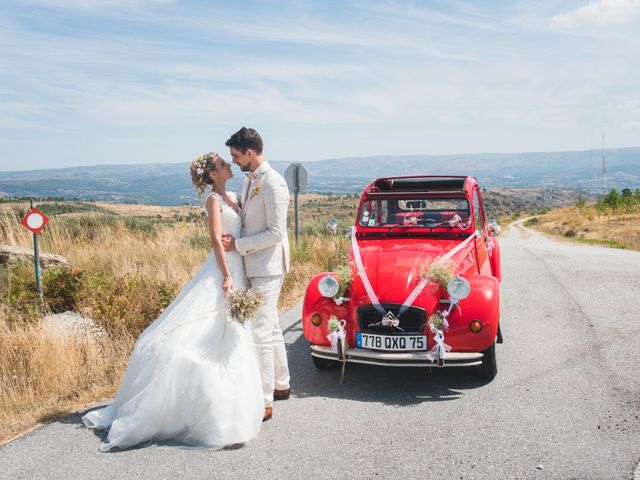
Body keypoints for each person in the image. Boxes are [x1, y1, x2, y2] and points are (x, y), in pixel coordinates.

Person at [82, 152, 263, 452]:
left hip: (240, 267)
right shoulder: (213, 202)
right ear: (212, 174)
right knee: (205, 333)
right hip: (224, 270)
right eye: (222, 164)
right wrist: (227, 275)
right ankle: (192, 411)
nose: (228, 165)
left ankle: (233, 405)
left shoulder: (233, 195)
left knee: (233, 335)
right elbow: (217, 240)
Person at [222, 127, 291, 422]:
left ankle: (264, 402)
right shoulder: (252, 181)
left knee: (260, 333)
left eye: (236, 156)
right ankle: (281, 384)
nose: (234, 162)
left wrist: (238, 245)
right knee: (272, 327)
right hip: (257, 265)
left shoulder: (274, 183)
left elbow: (276, 232)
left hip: (268, 266)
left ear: (250, 153)